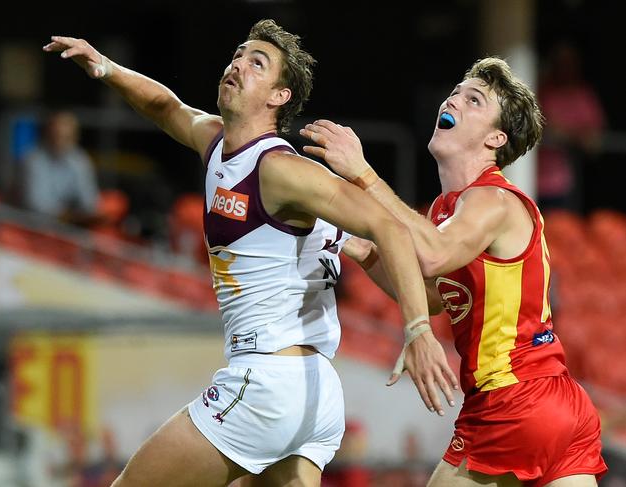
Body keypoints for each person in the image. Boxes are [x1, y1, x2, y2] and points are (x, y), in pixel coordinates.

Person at [43, 19, 458, 487]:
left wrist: (419, 329)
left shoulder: (280, 170)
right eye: (238, 55)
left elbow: (386, 226)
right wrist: (104, 67)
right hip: (312, 396)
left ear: (279, 96)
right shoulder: (217, 142)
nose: (237, 65)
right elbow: (165, 107)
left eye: (256, 63)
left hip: (265, 382)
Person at [301, 56, 607, 486]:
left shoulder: (493, 200)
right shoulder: (448, 211)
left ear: (495, 138)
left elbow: (430, 256)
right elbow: (434, 296)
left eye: (474, 99)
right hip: (560, 405)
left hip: (510, 401)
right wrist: (359, 249)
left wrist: (363, 174)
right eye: (456, 93)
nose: (455, 99)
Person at [536, 40, 606, 213]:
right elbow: (541, 126)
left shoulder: (583, 94)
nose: (564, 67)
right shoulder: (541, 91)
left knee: (563, 231)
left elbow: (594, 138)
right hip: (530, 177)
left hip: (562, 181)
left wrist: (567, 134)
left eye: (569, 62)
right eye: (559, 62)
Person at [19, 110, 102, 226]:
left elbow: (90, 203)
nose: (60, 142)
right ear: (47, 134)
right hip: (31, 227)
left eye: (66, 137)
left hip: (68, 227)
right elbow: (36, 205)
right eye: (56, 136)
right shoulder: (32, 159)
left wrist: (81, 215)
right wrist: (71, 216)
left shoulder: (80, 160)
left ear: (74, 137)